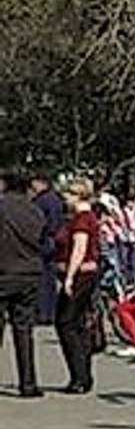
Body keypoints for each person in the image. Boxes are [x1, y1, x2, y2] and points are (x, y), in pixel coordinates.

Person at [51, 177, 101, 394]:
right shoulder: (83, 218)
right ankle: (82, 375)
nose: (65, 199)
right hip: (82, 274)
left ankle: (79, 376)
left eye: (68, 195)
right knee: (76, 324)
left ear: (78, 196)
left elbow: (79, 249)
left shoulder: (82, 220)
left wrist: (69, 277)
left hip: (80, 275)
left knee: (66, 323)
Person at [0, 170, 46, 397]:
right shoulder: (35, 210)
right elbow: (44, 240)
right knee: (24, 331)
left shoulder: (2, 207)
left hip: (4, 272)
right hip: (29, 274)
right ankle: (28, 383)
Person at [28, 171, 64, 324]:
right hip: (52, 241)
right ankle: (49, 312)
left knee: (42, 279)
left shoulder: (42, 201)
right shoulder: (54, 199)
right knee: (49, 279)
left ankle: (42, 312)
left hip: (43, 242)